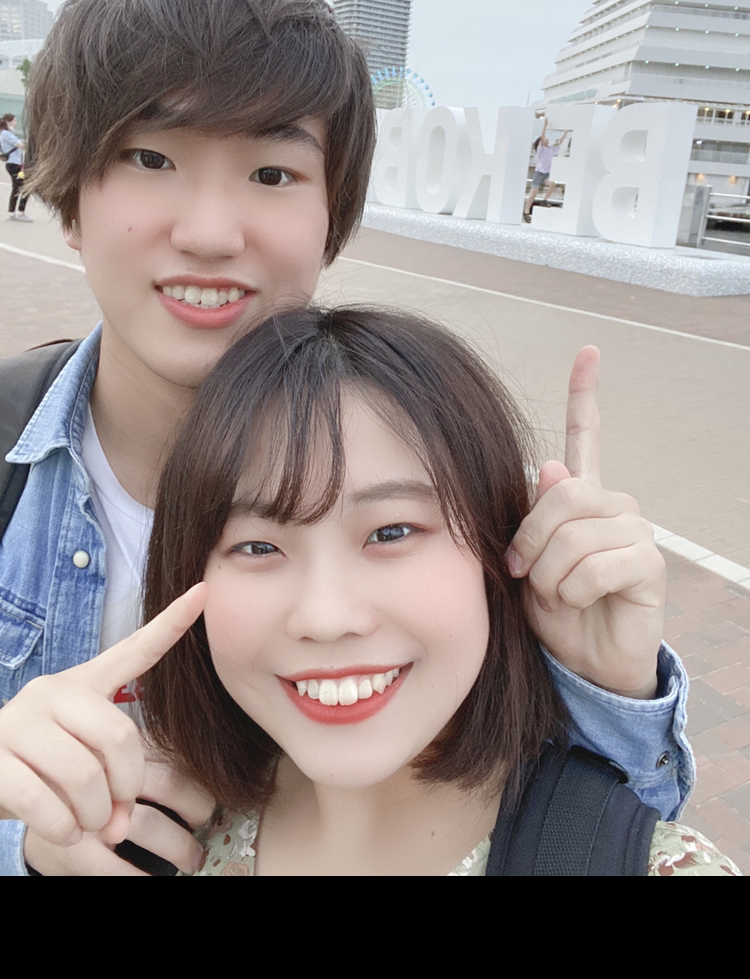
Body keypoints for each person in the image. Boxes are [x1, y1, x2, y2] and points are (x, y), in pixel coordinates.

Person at [0, 0, 690, 878]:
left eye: (272, 173)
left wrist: (606, 690)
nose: (210, 233)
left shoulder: (469, 523)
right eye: (151, 158)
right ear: (67, 198)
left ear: (336, 214)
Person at [0, 309, 734, 875]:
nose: (326, 616)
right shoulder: (146, 834)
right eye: (258, 546)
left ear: (501, 550)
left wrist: (608, 694)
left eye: (391, 533)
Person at [523, 117, 569, 223]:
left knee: (552, 185)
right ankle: (526, 211)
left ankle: (544, 200)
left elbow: (559, 142)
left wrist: (565, 132)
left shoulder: (551, 149)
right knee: (534, 193)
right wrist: (545, 126)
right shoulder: (541, 149)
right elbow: (542, 136)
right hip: (539, 173)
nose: (546, 139)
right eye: (544, 139)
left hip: (546, 173)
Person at [1, 114, 31, 220]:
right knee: (25, 187)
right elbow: (20, 145)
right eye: (14, 121)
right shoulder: (6, 134)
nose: (16, 123)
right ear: (8, 122)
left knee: (17, 187)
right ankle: (20, 212)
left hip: (14, 164)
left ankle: (12, 212)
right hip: (14, 164)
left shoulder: (8, 133)